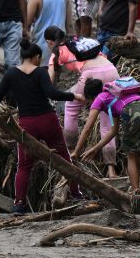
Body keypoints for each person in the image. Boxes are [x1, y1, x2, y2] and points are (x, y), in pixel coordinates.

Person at [0, 37, 84, 214]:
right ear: (36, 56)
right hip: (48, 120)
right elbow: (52, 93)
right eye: (40, 58)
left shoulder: (10, 73)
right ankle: (76, 193)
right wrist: (73, 96)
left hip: (27, 124)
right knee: (64, 158)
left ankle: (19, 204)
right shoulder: (41, 72)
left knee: (24, 166)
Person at [45, 26, 119, 178]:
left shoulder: (57, 51)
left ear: (49, 42)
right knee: (107, 120)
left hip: (91, 75)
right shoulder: (81, 41)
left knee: (71, 105)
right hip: (112, 72)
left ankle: (70, 150)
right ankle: (111, 169)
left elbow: (49, 81)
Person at [79, 77, 140, 198]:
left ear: (91, 97)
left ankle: (135, 195)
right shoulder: (115, 97)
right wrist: (96, 148)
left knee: (132, 156)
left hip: (132, 112)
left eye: (89, 102)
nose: (90, 104)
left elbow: (87, 128)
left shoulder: (100, 97)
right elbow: (113, 131)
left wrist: (76, 151)